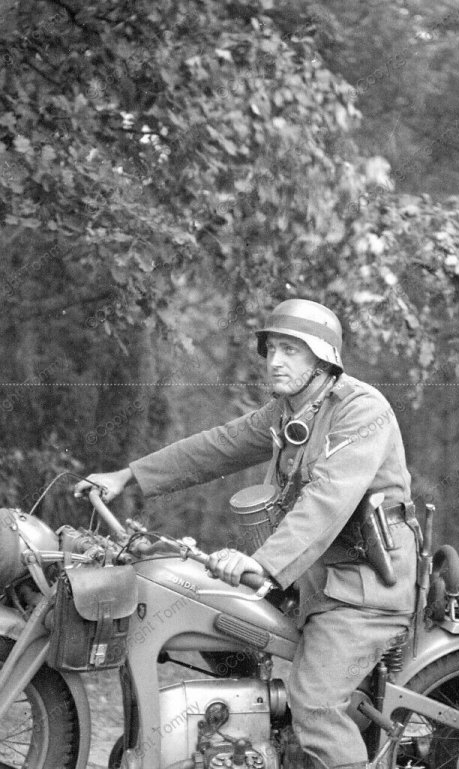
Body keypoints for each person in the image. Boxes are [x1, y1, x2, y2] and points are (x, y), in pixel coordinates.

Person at [76, 298, 418, 769]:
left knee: (315, 705)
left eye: (291, 350)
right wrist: (128, 476)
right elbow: (218, 446)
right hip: (310, 578)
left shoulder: (360, 410)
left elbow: (329, 498)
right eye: (271, 349)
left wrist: (264, 563)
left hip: (363, 590)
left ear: (322, 359)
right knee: (208, 609)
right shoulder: (289, 411)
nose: (275, 361)